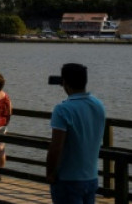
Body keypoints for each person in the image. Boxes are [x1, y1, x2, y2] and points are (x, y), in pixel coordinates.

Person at [46, 63, 106, 204]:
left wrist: (50, 173)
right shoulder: (99, 105)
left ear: (64, 82)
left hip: (68, 180)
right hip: (91, 178)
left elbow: (56, 147)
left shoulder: (62, 109)